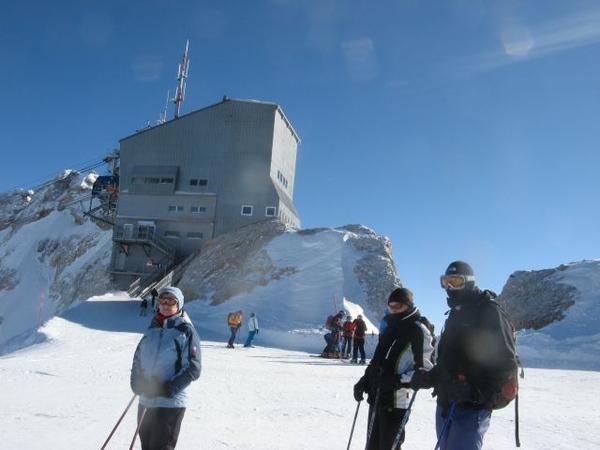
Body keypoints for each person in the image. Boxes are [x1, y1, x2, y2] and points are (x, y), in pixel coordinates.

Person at [410, 261, 520, 450]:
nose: (450, 287)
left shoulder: (488, 311)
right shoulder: (455, 314)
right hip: (446, 402)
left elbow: (506, 364)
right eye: (446, 282)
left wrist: (475, 393)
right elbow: (449, 362)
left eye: (455, 281)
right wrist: (430, 377)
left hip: (471, 409)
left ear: (468, 282)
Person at [353, 287, 434, 450]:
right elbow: (378, 360)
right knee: (372, 446)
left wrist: (396, 381)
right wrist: (365, 379)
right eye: (391, 306)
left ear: (409, 306)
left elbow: (425, 371)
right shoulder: (390, 327)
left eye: (399, 306)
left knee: (389, 447)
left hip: (396, 400)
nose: (394, 310)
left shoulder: (418, 330)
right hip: (377, 395)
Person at [130, 286, 202, 450]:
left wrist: (167, 388)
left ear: (179, 304)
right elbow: (138, 358)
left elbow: (193, 368)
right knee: (146, 446)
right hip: (146, 398)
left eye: (171, 301)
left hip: (170, 402)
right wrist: (136, 381)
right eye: (162, 300)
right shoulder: (152, 329)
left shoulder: (186, 331)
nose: (165, 304)